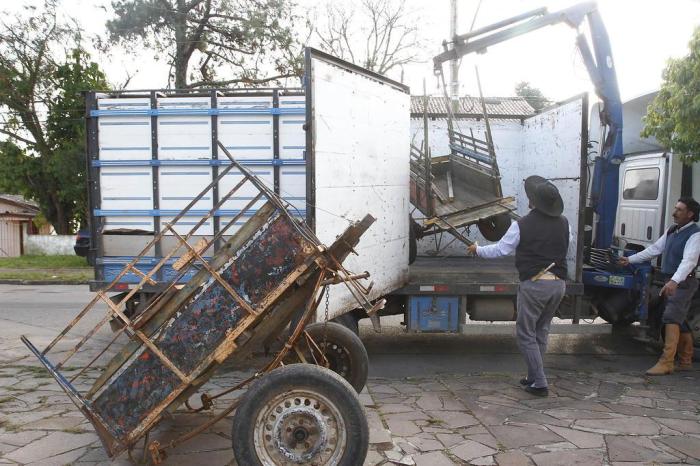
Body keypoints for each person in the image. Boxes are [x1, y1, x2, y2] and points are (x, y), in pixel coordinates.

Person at [468, 175, 569, 397]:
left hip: (535, 285)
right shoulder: (564, 223)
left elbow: (500, 250)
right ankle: (533, 377)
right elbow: (564, 247)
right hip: (559, 284)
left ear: (532, 201)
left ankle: (540, 382)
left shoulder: (521, 225)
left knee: (525, 334)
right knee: (541, 331)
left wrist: (478, 249)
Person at [618, 196, 700, 375]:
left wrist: (674, 281)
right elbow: (655, 249)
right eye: (675, 208)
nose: (674, 212)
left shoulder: (695, 234)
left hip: (683, 282)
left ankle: (667, 362)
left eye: (679, 210)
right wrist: (630, 259)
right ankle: (685, 359)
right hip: (671, 279)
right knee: (680, 319)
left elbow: (689, 262)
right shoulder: (673, 230)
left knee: (671, 317)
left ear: (690, 214)